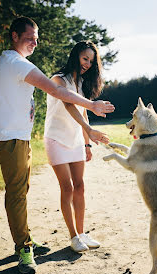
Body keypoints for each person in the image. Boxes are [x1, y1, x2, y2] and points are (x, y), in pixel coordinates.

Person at [0, 17, 114, 274]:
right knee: (17, 192)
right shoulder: (15, 63)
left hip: (19, 136)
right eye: (29, 37)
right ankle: (24, 248)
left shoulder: (16, 63)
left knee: (21, 189)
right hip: (11, 136)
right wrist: (92, 107)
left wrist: (87, 137)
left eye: (36, 37)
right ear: (14, 36)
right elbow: (59, 94)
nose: (35, 42)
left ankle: (27, 240)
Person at [44, 41, 106, 253]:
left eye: (91, 60)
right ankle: (73, 236)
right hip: (56, 139)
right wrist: (89, 129)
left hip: (76, 140)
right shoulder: (58, 79)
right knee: (68, 188)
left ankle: (81, 233)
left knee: (80, 186)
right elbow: (69, 105)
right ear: (75, 56)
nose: (87, 64)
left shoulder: (81, 84)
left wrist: (87, 142)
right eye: (84, 58)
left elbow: (84, 110)